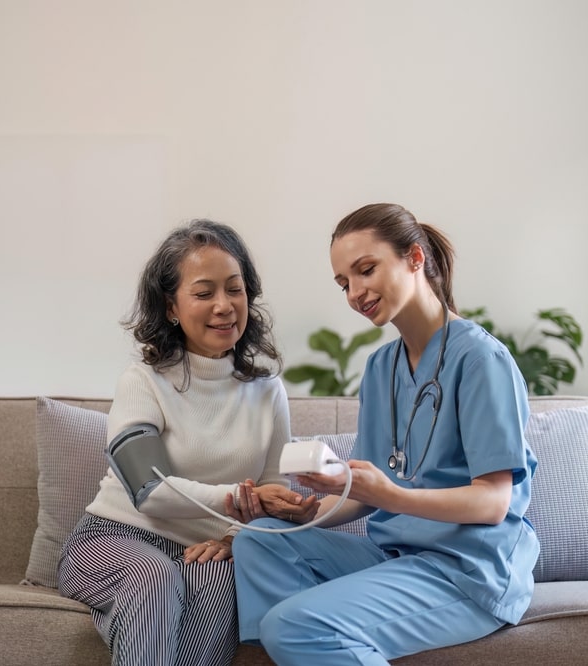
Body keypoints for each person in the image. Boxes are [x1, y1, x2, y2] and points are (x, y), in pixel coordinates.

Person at [231, 203, 540, 665]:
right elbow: (365, 494)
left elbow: (492, 503)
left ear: (415, 258)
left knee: (291, 624)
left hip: (469, 570)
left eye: (366, 270)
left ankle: (310, 636)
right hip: (399, 557)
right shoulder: (380, 369)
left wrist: (390, 494)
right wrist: (311, 509)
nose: (355, 292)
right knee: (258, 538)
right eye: (344, 284)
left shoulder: (480, 360)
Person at [58, 219, 317, 666]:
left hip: (207, 550)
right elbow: (150, 491)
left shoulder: (267, 390)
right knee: (155, 581)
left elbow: (272, 488)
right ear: (172, 307)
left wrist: (238, 536)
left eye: (234, 290)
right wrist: (239, 499)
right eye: (204, 293)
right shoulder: (143, 381)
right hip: (115, 539)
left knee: (222, 581)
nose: (224, 306)